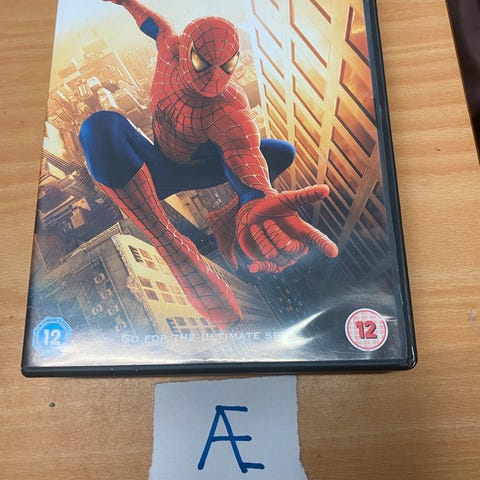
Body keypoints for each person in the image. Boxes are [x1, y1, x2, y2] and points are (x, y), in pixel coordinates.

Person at [79, 0, 338, 329]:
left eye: (227, 66)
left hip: (199, 167)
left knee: (280, 151)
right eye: (203, 63)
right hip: (157, 170)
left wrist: (257, 195)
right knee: (99, 127)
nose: (215, 78)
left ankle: (238, 208)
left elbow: (243, 148)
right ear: (186, 51)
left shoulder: (229, 105)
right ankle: (171, 245)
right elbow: (157, 26)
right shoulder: (170, 50)